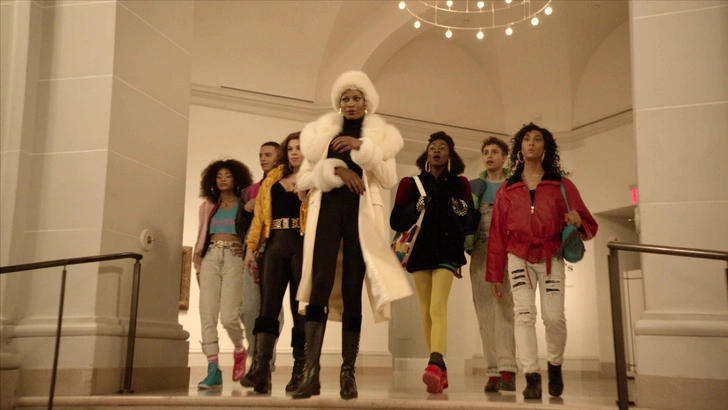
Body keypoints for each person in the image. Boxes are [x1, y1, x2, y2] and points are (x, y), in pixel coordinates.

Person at [293, 70, 412, 400]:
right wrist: (337, 169)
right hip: (327, 215)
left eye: (356, 97)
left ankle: (348, 373)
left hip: (361, 218)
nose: (350, 103)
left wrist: (364, 148)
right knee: (318, 286)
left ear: (366, 101)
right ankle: (311, 373)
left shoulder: (380, 136)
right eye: (345, 98)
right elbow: (303, 180)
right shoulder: (321, 134)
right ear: (338, 102)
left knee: (351, 291)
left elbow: (388, 179)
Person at [486, 123, 598, 399]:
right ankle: (532, 377)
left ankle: (555, 366)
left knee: (554, 317)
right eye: (527, 139)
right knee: (523, 315)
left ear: (545, 149)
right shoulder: (507, 189)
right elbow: (497, 233)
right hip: (518, 256)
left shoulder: (561, 184)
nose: (531, 143)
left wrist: (576, 220)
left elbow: (589, 224)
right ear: (520, 148)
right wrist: (495, 275)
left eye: (538, 139)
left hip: (552, 254)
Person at [390, 131, 479, 394]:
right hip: (419, 251)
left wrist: (462, 209)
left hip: (448, 251)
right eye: (432, 147)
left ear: (450, 155)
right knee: (425, 309)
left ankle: (434, 362)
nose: (436, 151)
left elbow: (471, 223)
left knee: (438, 306)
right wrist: (415, 207)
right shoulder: (410, 183)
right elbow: (396, 221)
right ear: (426, 154)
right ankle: (439, 369)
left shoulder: (460, 183)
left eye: (442, 147)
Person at [241, 132, 307, 393]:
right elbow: (259, 217)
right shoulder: (272, 179)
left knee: (299, 310)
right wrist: (251, 248)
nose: (294, 152)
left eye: (299, 148)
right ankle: (261, 368)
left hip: (302, 245)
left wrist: (305, 197)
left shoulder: (316, 179)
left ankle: (300, 370)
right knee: (267, 307)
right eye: (290, 148)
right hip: (275, 245)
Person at [192, 159, 253, 389]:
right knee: (206, 314)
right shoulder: (208, 206)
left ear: (236, 178)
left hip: (234, 258)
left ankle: (239, 349)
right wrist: (198, 265)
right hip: (210, 257)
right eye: (219, 176)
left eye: (228, 175)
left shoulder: (244, 204)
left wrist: (246, 251)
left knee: (228, 316)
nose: (223, 179)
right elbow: (201, 236)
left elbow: (252, 232)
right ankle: (213, 369)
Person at [465, 137, 517, 393]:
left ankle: (508, 368)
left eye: (495, 151)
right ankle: (493, 370)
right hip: (480, 251)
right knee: (484, 311)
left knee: (505, 308)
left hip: (508, 252)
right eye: (485, 151)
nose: (489, 155)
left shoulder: (514, 184)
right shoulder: (473, 186)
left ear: (505, 156)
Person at [237, 142, 284, 372]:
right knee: (248, 308)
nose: (263, 159)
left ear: (279, 157)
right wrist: (247, 209)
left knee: (272, 306)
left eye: (268, 155)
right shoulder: (250, 191)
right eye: (260, 155)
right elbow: (240, 225)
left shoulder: (285, 183)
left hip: (277, 244)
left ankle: (265, 361)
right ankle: (256, 354)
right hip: (253, 247)